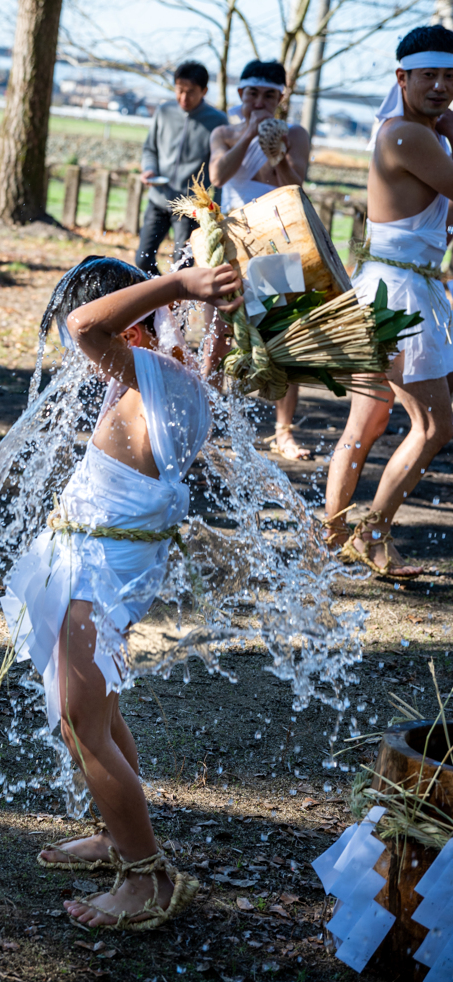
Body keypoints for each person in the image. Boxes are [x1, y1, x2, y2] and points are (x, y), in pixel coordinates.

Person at [1, 255, 243, 930]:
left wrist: (177, 286)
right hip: (99, 559)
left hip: (100, 570)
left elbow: (84, 325)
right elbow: (110, 329)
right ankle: (116, 837)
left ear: (128, 328)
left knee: (82, 724)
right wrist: (198, 300)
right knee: (95, 718)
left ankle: (147, 879)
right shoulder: (176, 374)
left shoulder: (151, 373)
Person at [324, 25, 453, 578]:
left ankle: (328, 538)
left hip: (389, 284)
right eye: (429, 75)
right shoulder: (410, 136)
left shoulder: (416, 129)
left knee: (368, 420)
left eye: (451, 76)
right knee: (433, 426)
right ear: (401, 78)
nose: (442, 86)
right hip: (400, 294)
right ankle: (372, 533)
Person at [208, 60, 312, 461]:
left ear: (281, 98)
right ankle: (209, 419)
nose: (260, 101)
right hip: (232, 242)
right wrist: (249, 134)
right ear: (241, 95)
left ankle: (283, 431)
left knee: (285, 340)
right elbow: (218, 175)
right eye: (253, 93)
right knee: (219, 335)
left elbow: (296, 187)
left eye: (270, 94)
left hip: (278, 243)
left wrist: (279, 155)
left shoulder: (296, 134)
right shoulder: (224, 131)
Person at [136, 61, 227, 276]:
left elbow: (221, 170)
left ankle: (171, 305)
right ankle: (157, 299)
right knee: (142, 259)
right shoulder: (164, 112)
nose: (184, 98)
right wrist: (149, 168)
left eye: (191, 92)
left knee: (182, 265)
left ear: (204, 91)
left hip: (190, 207)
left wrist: (218, 209)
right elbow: (150, 148)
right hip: (158, 199)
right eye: (179, 90)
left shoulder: (218, 122)